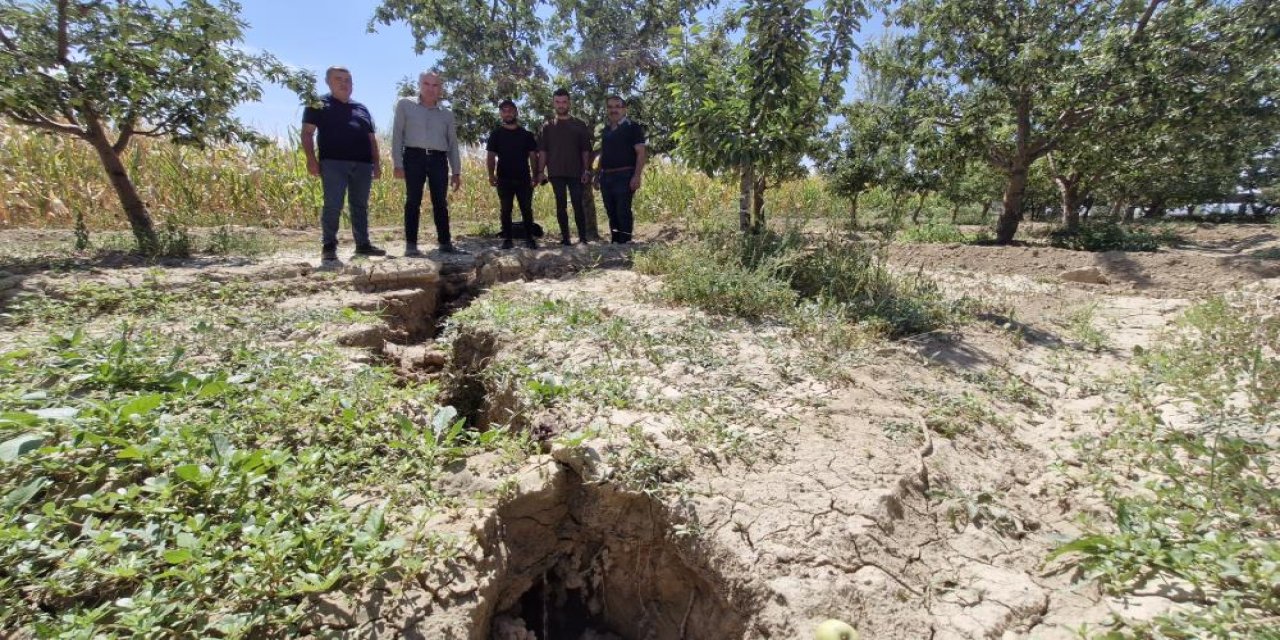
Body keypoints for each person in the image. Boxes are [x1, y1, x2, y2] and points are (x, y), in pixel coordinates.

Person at [301, 66, 385, 262]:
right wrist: (311, 159)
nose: (344, 83)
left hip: (363, 164)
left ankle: (363, 245)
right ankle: (329, 245)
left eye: (348, 80)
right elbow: (307, 133)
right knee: (333, 204)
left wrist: (377, 164)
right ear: (328, 82)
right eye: (338, 79)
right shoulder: (318, 104)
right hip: (333, 163)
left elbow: (372, 139)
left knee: (360, 205)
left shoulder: (361, 108)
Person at [392, 70, 464, 255]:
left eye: (435, 85)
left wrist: (456, 171)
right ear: (419, 85)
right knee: (413, 201)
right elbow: (397, 135)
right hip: (413, 157)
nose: (431, 89)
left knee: (440, 202)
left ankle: (445, 243)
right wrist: (397, 164)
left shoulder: (446, 113)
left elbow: (452, 143)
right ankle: (411, 245)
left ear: (440, 88)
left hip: (438, 159)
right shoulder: (405, 105)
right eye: (426, 84)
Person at [538, 88, 592, 245]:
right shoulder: (547, 126)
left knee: (577, 204)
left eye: (564, 102)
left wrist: (586, 170)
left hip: (576, 172)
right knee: (560, 205)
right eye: (558, 102)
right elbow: (543, 151)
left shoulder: (579, 124)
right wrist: (541, 172)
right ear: (553, 103)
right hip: (556, 172)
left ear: (569, 103)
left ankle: (583, 238)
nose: (561, 105)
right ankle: (565, 238)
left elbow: (585, 151)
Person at [486, 99, 540, 250]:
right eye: (504, 111)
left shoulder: (526, 134)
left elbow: (533, 157)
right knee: (505, 210)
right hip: (503, 178)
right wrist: (491, 175)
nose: (508, 113)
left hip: (524, 178)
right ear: (500, 114)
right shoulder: (495, 135)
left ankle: (530, 238)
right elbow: (490, 156)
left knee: (526, 209)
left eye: (510, 110)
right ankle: (507, 239)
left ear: (516, 112)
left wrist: (535, 176)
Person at [597, 95, 646, 244]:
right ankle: (615, 243)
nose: (614, 110)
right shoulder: (605, 130)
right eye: (610, 107)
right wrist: (597, 174)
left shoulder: (633, 127)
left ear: (624, 109)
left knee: (622, 210)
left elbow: (641, 153)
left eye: (617, 107)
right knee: (611, 212)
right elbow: (604, 153)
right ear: (607, 110)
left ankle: (625, 243)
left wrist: (636, 176)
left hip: (625, 175)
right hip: (606, 177)